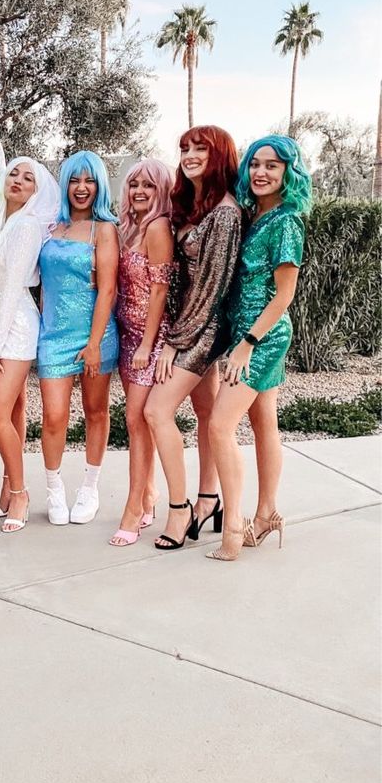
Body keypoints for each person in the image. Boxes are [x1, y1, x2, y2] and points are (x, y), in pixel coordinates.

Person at [206, 135, 311, 561]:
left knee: (218, 426)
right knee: (265, 422)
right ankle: (267, 513)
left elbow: (284, 295)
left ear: (289, 171)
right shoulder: (255, 215)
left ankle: (234, 528)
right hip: (243, 334)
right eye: (255, 164)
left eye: (272, 165)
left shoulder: (286, 220)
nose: (261, 172)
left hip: (261, 338)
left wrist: (247, 345)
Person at [144, 126, 241, 550]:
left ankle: (179, 510)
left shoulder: (225, 213)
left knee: (156, 410)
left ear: (219, 154)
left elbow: (212, 288)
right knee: (203, 414)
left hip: (204, 328)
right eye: (184, 148)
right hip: (191, 323)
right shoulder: (196, 206)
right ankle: (207, 500)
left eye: (200, 148)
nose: (190, 154)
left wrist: (172, 341)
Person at [0, 72, 60, 533]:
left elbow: (10, 291)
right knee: (9, 413)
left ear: (36, 193)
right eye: (15, 174)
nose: (18, 179)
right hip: (0, 322)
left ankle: (22, 494)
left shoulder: (27, 226)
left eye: (29, 179)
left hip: (17, 325)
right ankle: (10, 486)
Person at [37, 151, 120, 525]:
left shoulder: (104, 230)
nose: (81, 188)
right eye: (74, 180)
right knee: (54, 418)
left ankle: (90, 487)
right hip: (52, 336)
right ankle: (54, 489)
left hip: (94, 335)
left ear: (99, 185)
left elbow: (107, 290)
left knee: (95, 413)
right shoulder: (49, 226)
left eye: (89, 180)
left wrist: (93, 342)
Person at [110, 159, 175, 546]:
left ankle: (134, 506)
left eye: (148, 186)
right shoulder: (130, 228)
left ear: (162, 191)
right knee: (138, 424)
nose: (138, 191)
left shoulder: (157, 227)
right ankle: (148, 493)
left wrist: (149, 345)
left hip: (149, 339)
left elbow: (160, 290)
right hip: (127, 335)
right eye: (134, 184)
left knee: (136, 419)